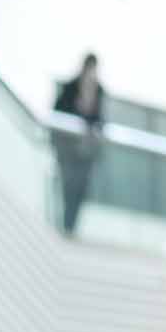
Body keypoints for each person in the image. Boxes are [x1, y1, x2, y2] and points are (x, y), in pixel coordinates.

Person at [51, 52, 106, 233]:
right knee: (67, 186)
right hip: (68, 149)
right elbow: (58, 115)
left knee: (80, 189)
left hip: (85, 152)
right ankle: (64, 225)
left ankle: (71, 227)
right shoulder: (70, 88)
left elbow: (100, 120)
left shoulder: (98, 91)